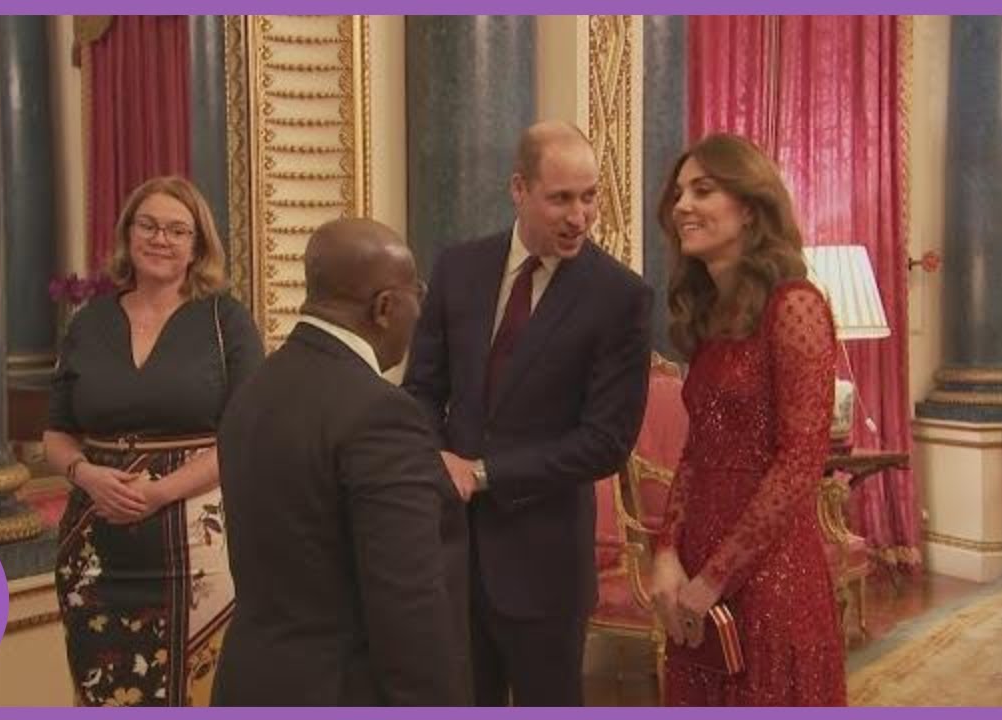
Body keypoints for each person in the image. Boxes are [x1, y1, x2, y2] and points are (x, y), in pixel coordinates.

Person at [403, 121, 653, 706]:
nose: (580, 216)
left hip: (545, 568)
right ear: (519, 189)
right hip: (451, 555)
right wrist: (437, 455)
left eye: (590, 196)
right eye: (561, 198)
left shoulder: (620, 298)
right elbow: (420, 388)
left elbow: (606, 442)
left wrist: (483, 472)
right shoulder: (458, 268)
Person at [212, 218, 470, 706]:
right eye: (417, 293)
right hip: (344, 689)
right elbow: (406, 603)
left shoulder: (254, 391)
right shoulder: (381, 413)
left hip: (253, 681)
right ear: (386, 307)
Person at [44, 175, 264, 707]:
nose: (161, 239)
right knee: (103, 691)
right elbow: (55, 434)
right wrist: (86, 475)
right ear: (128, 234)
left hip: (198, 544)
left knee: (201, 692)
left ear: (197, 245)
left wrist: (158, 493)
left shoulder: (225, 321)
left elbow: (246, 434)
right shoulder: (88, 322)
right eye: (148, 225)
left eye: (176, 230)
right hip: (95, 546)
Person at [649, 133, 846, 706]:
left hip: (770, 573)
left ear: (751, 208)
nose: (682, 204)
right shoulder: (711, 319)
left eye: (703, 190)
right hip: (695, 573)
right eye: (679, 192)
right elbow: (696, 454)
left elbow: (801, 461)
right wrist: (667, 554)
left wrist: (716, 576)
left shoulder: (796, 305)